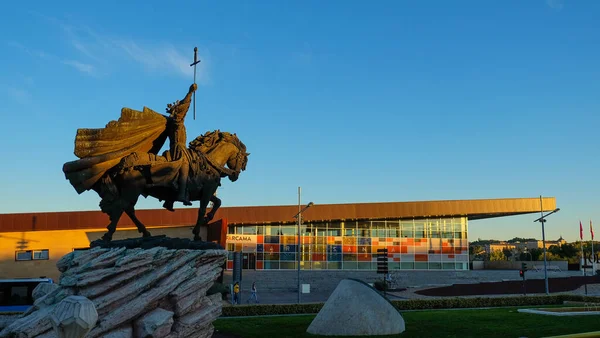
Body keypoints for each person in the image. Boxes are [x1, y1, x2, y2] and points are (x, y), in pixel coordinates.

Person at [162, 83, 198, 212]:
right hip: (178, 149)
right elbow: (182, 111)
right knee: (185, 165)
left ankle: (172, 198)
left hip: (179, 148)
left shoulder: (174, 123)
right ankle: (181, 194)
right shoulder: (176, 123)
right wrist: (189, 93)